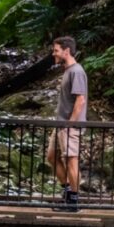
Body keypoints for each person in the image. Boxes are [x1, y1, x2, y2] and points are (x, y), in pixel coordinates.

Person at [47, 36, 88, 212]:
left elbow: (81, 99)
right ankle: (67, 193)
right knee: (52, 157)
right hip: (61, 125)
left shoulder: (76, 71)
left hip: (70, 125)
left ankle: (73, 201)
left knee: (72, 160)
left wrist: (71, 124)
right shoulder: (68, 71)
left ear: (66, 51)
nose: (53, 53)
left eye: (56, 50)